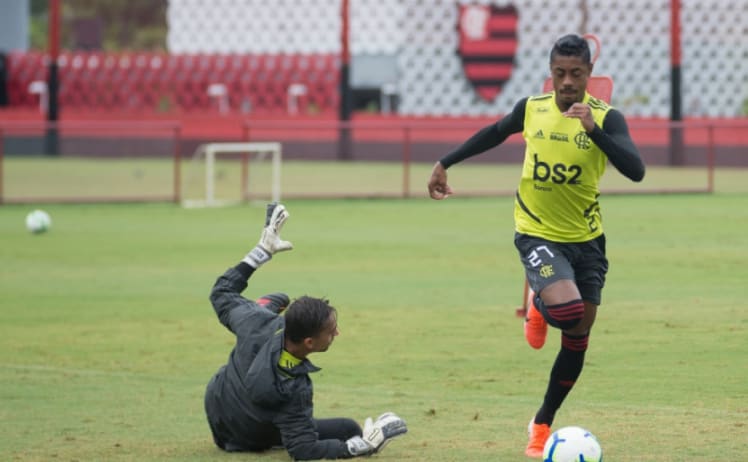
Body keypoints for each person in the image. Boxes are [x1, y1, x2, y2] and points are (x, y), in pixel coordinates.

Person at [427, 34, 645, 458]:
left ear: (588, 75)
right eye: (560, 73)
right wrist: (445, 162)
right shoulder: (533, 109)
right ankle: (542, 304)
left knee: (579, 334)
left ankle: (542, 422)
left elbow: (635, 169)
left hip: (586, 240)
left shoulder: (606, 118)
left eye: (576, 74)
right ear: (551, 74)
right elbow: (494, 132)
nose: (567, 82)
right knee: (567, 311)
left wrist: (593, 131)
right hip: (536, 231)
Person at [204, 202, 407, 460]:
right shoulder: (294, 389)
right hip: (248, 437)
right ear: (309, 342)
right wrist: (362, 445)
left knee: (273, 300)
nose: (337, 334)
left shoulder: (254, 320)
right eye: (331, 331)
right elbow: (302, 450)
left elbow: (221, 292)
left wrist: (262, 251)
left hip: (219, 413)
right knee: (349, 429)